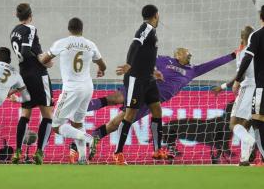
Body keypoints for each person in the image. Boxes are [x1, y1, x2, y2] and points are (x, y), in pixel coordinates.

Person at [85, 48, 236, 160]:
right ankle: (82, 108)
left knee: (119, 122)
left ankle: (94, 136)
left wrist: (234, 54)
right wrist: (131, 67)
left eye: (190, 54)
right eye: (186, 53)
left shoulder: (193, 70)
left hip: (152, 102)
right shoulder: (165, 60)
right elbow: (145, 62)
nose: (189, 55)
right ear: (177, 54)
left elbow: (214, 63)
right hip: (143, 87)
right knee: (116, 98)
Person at [38, 17, 106, 164]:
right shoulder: (90, 44)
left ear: (69, 29)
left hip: (72, 89)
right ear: (82, 29)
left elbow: (44, 60)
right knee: (77, 122)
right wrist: (100, 69)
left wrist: (42, 58)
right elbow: (103, 64)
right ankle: (82, 158)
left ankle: (89, 138)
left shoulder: (62, 43)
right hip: (87, 88)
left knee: (56, 125)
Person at [112, 4, 163, 165]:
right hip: (136, 79)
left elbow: (145, 54)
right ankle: (118, 153)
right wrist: (128, 64)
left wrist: (153, 70)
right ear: (156, 15)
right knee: (130, 115)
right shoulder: (146, 27)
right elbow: (135, 44)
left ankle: (157, 150)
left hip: (148, 78)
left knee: (157, 110)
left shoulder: (152, 31)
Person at [10, 3, 54, 165]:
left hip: (23, 75)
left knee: (25, 114)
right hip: (38, 74)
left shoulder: (13, 32)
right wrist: (44, 61)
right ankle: (40, 152)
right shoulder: (30, 29)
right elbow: (26, 50)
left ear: (16, 14)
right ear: (30, 16)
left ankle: (17, 152)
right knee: (47, 114)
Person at [212, 26, 255, 166]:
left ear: (242, 37)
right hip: (260, 90)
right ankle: (244, 159)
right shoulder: (259, 49)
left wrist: (224, 86)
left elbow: (240, 75)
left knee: (234, 124)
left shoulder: (243, 52)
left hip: (248, 87)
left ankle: (251, 142)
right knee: (246, 125)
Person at [233, 5, 264, 166]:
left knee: (240, 124)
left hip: (252, 87)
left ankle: (252, 146)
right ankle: (245, 157)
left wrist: (234, 82)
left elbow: (244, 67)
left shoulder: (251, 44)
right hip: (257, 87)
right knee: (251, 123)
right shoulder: (242, 50)